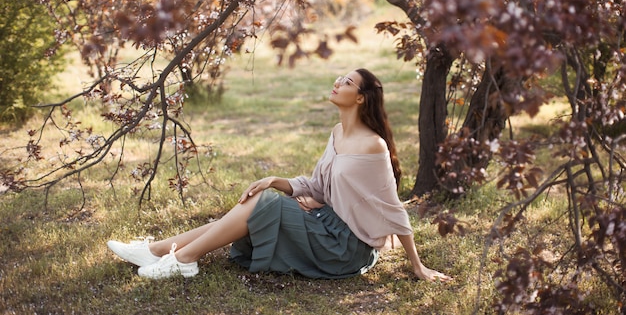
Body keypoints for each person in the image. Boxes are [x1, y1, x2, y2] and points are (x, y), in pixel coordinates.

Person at [107, 68, 452, 282]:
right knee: (263, 197)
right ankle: (158, 251)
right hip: (324, 224)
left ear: (361, 98)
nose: (337, 82)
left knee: (265, 205)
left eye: (346, 81)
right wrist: (275, 180)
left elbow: (393, 210)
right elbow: (318, 184)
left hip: (345, 248)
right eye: (339, 77)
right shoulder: (337, 132)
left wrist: (417, 266)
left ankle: (182, 258)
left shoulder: (372, 146)